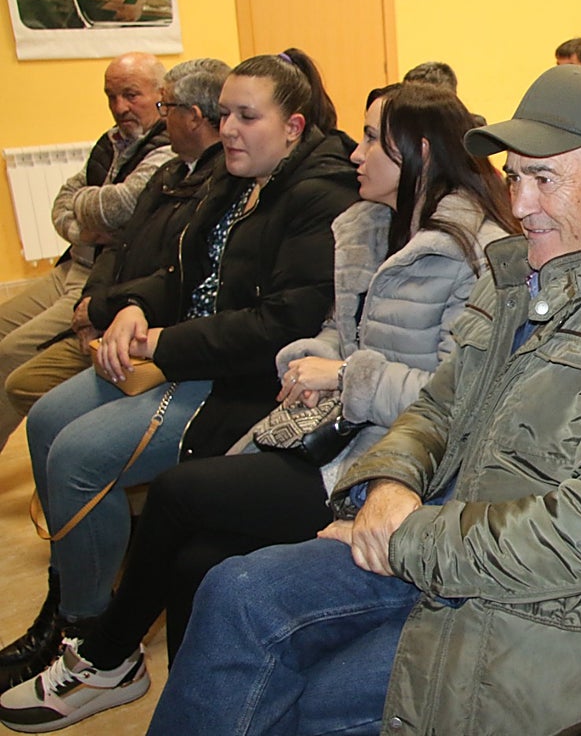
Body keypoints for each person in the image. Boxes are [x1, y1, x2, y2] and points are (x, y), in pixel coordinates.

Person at [142, 65, 581, 736]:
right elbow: (438, 404)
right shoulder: (519, 274)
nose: (519, 205)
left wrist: (406, 536)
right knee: (236, 594)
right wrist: (391, 480)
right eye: (515, 176)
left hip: (567, 614)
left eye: (544, 179)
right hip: (456, 545)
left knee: (307, 700)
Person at [0, 81, 520, 731]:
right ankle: (194, 708)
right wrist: (308, 359)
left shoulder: (471, 252)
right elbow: (338, 327)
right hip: (333, 431)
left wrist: (344, 375)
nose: (354, 152)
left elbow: (453, 395)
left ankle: (107, 655)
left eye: (367, 138)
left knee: (179, 493)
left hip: (389, 467)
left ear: (415, 150)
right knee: (196, 561)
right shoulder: (368, 225)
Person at [0, 49, 359, 694]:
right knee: (48, 418)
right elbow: (186, 275)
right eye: (224, 114)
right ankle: (66, 605)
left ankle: (90, 633)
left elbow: (278, 327)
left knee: (77, 458)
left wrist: (161, 343)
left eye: (247, 117)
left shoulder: (318, 195)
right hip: (177, 353)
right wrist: (135, 307)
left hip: (236, 382)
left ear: (295, 127)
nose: (228, 130)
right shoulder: (233, 177)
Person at [4, 58, 230, 423]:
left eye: (164, 106)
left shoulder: (212, 181)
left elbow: (163, 261)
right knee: (19, 368)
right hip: (99, 290)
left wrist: (98, 308)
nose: (120, 107)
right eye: (111, 96)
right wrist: (92, 298)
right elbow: (116, 239)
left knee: (23, 377)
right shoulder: (167, 169)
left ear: (192, 116)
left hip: (135, 322)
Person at [0, 52, 174, 452]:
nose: (119, 107)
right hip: (77, 260)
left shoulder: (166, 150)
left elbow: (120, 208)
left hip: (101, 275)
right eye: (111, 96)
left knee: (11, 354)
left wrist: (86, 210)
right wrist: (86, 229)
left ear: (161, 95)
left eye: (131, 95)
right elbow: (60, 203)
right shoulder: (111, 142)